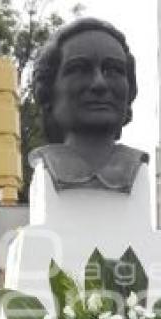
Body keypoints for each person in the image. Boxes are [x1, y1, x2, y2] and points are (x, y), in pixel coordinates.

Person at [31, 16, 147, 193]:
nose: (99, 83)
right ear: (48, 91)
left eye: (113, 70)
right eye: (79, 69)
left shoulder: (138, 168)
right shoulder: (45, 167)